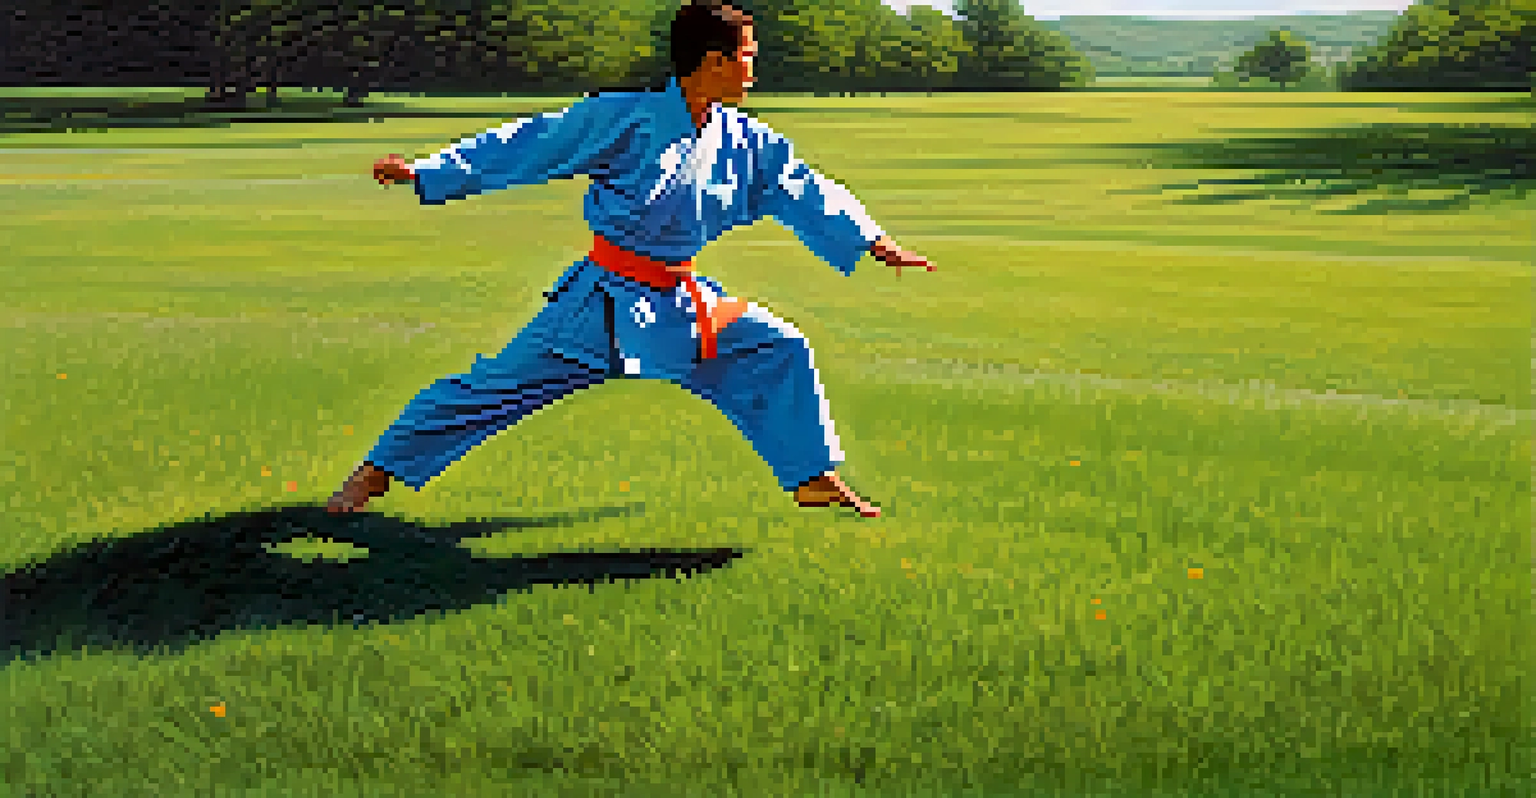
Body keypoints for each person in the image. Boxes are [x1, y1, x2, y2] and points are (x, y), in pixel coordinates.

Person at [327, 0, 932, 519]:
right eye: (748, 54)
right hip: (601, 305)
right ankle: (375, 473)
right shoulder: (623, 117)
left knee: (777, 346)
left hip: (682, 305)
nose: (754, 68)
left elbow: (803, 187)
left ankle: (809, 476)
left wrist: (873, 242)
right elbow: (531, 144)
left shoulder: (747, 140)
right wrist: (428, 172)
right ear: (715, 61)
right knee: (492, 389)